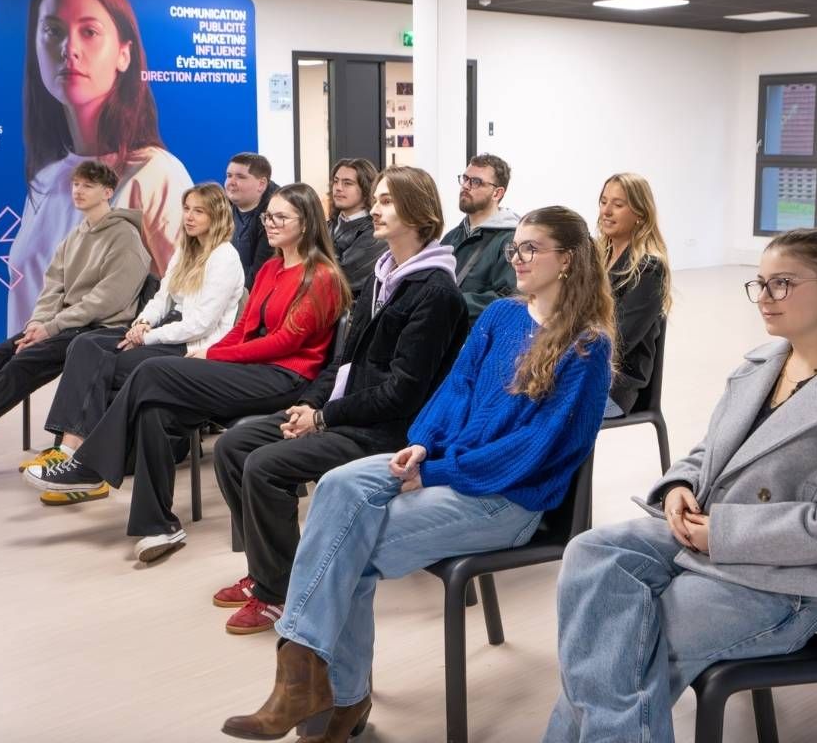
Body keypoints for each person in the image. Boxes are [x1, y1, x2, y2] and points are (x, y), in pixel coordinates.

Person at [220, 206, 614, 742]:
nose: (516, 259)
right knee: (338, 487)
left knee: (347, 550)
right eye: (513, 249)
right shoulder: (501, 316)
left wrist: (437, 473)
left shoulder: (588, 347)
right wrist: (421, 446)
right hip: (447, 466)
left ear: (566, 260)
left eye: (530, 249)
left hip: (507, 499)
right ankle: (318, 683)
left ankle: (327, 691)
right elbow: (454, 390)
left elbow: (534, 451)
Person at [543, 229, 817, 743]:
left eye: (782, 284)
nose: (764, 297)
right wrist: (679, 484)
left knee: (618, 641)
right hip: (708, 531)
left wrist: (724, 533)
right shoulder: (762, 364)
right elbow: (709, 451)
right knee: (590, 552)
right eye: (760, 283)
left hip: (787, 583)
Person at [25, 184, 352, 563]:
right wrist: (213, 355)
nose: (270, 224)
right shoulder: (269, 269)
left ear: (307, 222)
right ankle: (156, 524)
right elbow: (242, 328)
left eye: (281, 217)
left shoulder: (322, 276)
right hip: (250, 369)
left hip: (284, 379)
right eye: (268, 216)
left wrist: (213, 354)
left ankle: (89, 464)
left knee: (151, 372)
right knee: (154, 410)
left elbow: (283, 344)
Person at [212, 165, 469, 635]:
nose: (374, 207)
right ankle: (273, 572)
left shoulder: (436, 292)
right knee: (234, 446)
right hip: (348, 417)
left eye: (387, 201)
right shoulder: (384, 276)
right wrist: (307, 408)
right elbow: (343, 362)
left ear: (420, 214)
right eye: (377, 199)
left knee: (264, 466)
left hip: (392, 433)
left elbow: (402, 393)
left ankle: (275, 594)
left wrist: (325, 418)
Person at [22, 182, 245, 507]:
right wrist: (142, 323)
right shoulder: (187, 249)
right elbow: (161, 298)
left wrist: (148, 336)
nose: (190, 217)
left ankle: (79, 460)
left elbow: (200, 324)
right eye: (187, 209)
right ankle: (68, 450)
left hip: (190, 344)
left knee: (107, 367)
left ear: (217, 215)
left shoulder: (225, 257)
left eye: (199, 211)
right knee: (85, 345)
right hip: (165, 330)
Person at [0, 161, 149, 485]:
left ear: (108, 192)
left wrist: (51, 328)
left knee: (20, 365)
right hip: (63, 325)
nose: (78, 191)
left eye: (87, 186)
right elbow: (53, 286)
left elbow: (107, 300)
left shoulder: (125, 238)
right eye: (76, 185)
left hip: (98, 330)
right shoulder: (75, 235)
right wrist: (37, 324)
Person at [9, 0, 193, 335]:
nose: (69, 49)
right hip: (37, 362)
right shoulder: (45, 180)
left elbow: (183, 291)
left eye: (89, 31)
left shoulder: (157, 175)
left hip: (101, 362)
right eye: (53, 30)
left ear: (125, 53)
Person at [596, 173, 673, 418]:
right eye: (603, 201)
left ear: (640, 214)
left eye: (618, 205)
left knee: (542, 411)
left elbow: (618, 340)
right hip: (583, 370)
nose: (606, 211)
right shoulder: (594, 257)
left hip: (615, 387)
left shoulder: (648, 268)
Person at [443, 153, 519, 323]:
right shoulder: (451, 238)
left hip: (480, 340)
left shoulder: (511, 240)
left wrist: (449, 302)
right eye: (465, 179)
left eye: (476, 182)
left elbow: (508, 299)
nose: (466, 186)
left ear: (497, 193)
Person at [327, 158, 386, 300]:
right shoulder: (327, 225)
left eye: (347, 183)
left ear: (366, 188)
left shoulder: (375, 232)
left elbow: (343, 277)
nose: (338, 188)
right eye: (336, 181)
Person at [225, 153, 280, 290]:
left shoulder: (273, 218)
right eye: (229, 176)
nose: (231, 182)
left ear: (261, 184)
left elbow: (259, 277)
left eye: (240, 177)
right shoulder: (222, 207)